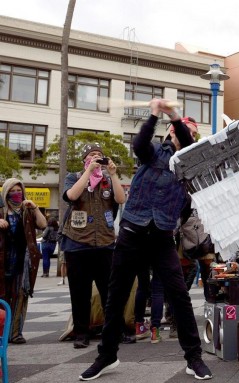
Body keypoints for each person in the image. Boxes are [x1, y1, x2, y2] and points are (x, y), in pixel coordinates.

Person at [79, 99, 212, 381]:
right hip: (133, 231)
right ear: (167, 135)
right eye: (176, 130)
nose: (180, 132)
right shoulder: (154, 153)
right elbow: (139, 145)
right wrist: (154, 114)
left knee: (179, 294)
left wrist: (175, 115)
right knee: (116, 295)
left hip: (162, 235)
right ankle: (107, 356)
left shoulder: (190, 160)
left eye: (186, 130)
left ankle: (194, 357)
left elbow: (186, 144)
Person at [62, 143, 126, 349]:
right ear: (84, 160)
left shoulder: (107, 181)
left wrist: (114, 174)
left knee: (110, 292)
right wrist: (88, 172)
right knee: (79, 294)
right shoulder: (74, 177)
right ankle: (82, 332)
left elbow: (121, 199)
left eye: (99, 155)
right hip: (77, 244)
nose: (96, 158)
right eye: (91, 156)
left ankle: (115, 331)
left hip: (105, 244)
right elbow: (71, 196)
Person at [0, 178, 47, 343]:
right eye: (12, 191)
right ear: (6, 193)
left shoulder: (27, 209)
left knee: (21, 295)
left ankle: (15, 333)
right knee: (3, 296)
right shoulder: (1, 210)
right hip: (3, 259)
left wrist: (35, 207)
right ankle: (2, 333)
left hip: (23, 260)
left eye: (18, 190)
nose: (16, 194)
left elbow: (42, 224)